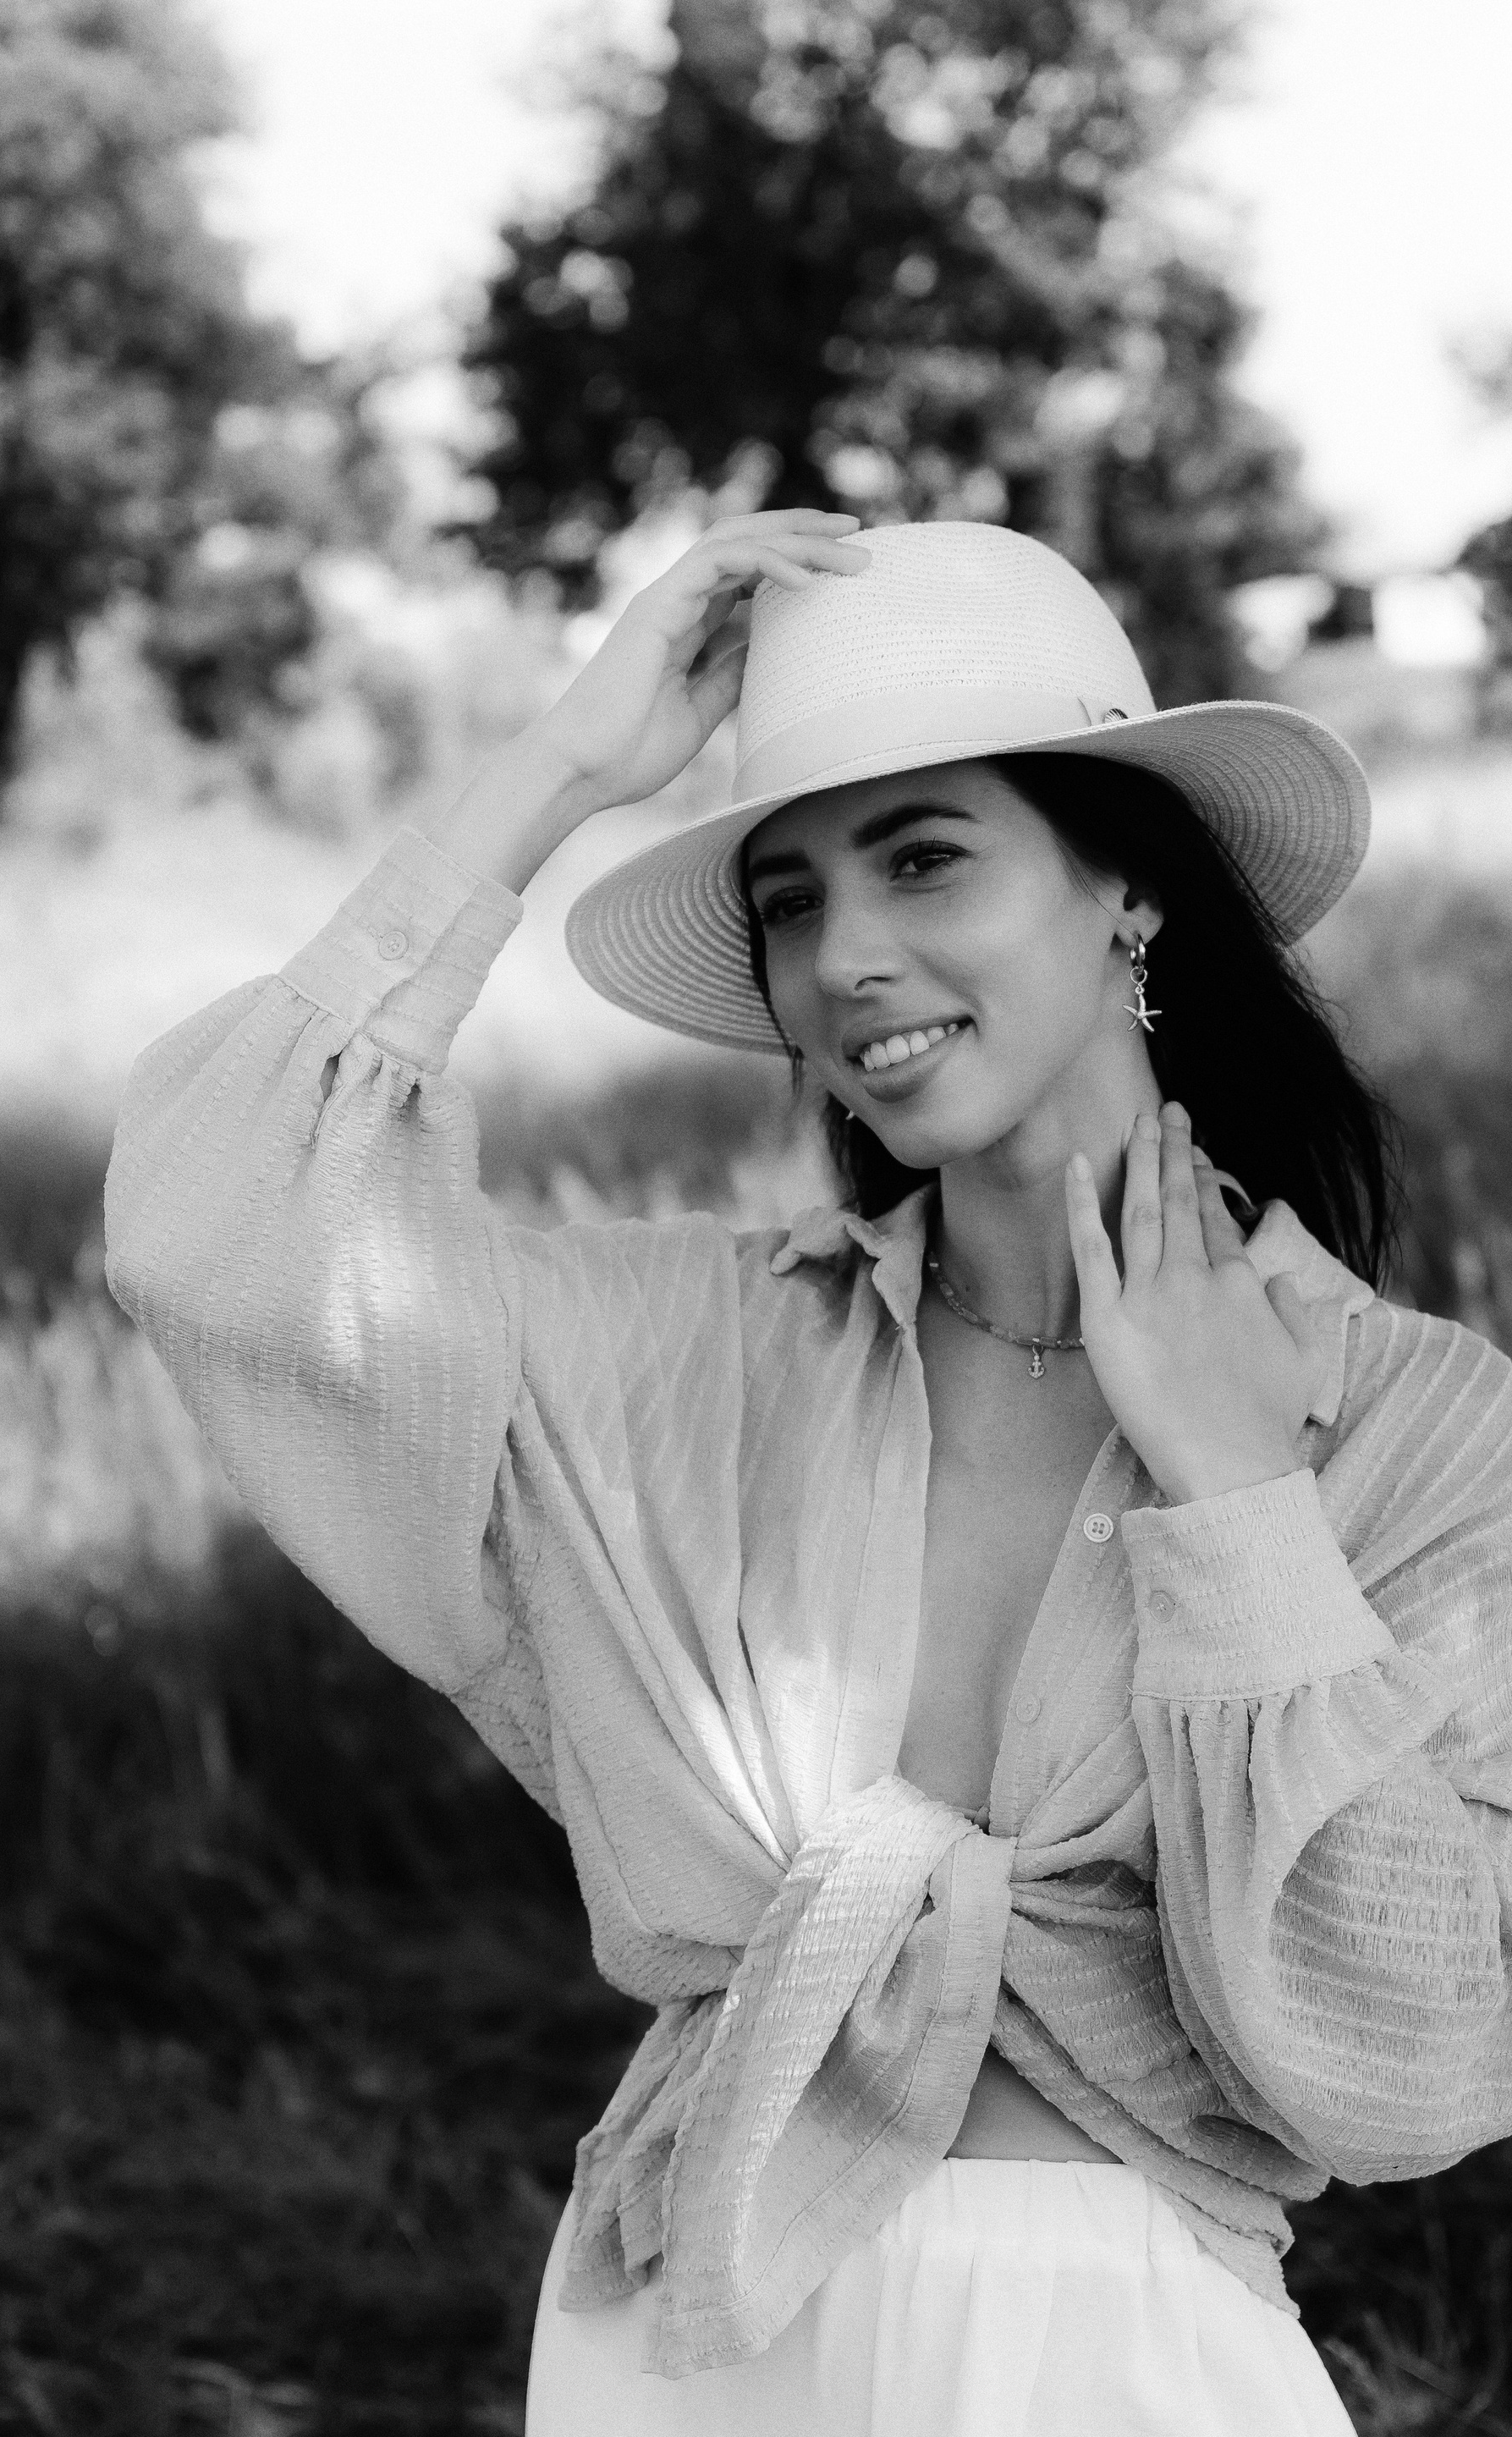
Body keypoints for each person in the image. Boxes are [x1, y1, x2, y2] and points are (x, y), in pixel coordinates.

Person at [106, 512, 1512, 2436]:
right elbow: (218, 1241)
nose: (845, 958)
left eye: (925, 858)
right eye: (788, 899)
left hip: (1120, 2367)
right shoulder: (698, 1355)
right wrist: (563, 768)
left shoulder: (1427, 1431)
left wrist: (1238, 1495)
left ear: (1130, 891)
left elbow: (1416, 2060)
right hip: (692, 2337)